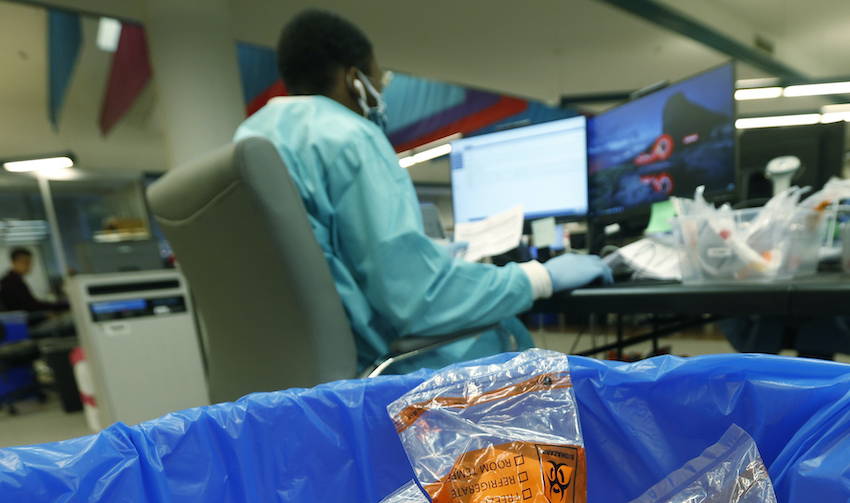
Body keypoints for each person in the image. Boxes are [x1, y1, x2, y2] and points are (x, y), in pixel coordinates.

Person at [235, 9, 611, 373]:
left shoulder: (251, 135)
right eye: (379, 83)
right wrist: (539, 278)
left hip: (287, 375)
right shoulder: (348, 137)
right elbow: (420, 299)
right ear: (355, 80)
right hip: (379, 369)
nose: (381, 96)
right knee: (508, 330)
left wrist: (419, 256)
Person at [0, 248, 68, 314]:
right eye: (25, 262)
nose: (29, 265)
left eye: (30, 262)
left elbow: (31, 304)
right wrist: (62, 306)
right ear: (14, 262)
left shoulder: (11, 279)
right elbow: (31, 306)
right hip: (32, 320)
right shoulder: (12, 282)